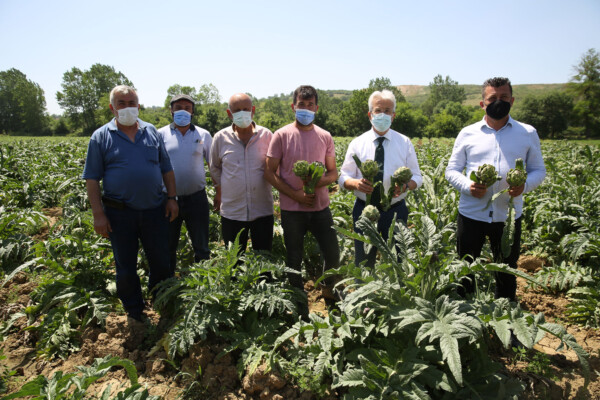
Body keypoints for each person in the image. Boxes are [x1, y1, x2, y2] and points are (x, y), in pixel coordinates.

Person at [82, 85, 178, 321]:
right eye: (121, 103)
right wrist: (98, 215)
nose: (127, 107)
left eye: (131, 103)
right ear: (112, 107)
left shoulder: (151, 131)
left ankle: (161, 300)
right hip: (119, 214)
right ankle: (135, 310)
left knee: (161, 261)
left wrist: (172, 198)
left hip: (154, 210)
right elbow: (92, 179)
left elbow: (166, 168)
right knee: (125, 266)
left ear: (138, 105)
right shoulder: (101, 136)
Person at [445, 77, 546, 301]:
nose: (498, 101)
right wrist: (468, 186)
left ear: (512, 100)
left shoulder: (527, 133)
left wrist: (524, 186)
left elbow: (539, 170)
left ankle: (507, 325)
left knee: (506, 271)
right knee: (465, 270)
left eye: (503, 97)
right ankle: (465, 318)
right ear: (483, 103)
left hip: (508, 217)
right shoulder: (467, 133)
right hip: (471, 214)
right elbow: (451, 171)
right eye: (492, 98)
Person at [264, 85, 340, 309]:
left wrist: (315, 182)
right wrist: (296, 194)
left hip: (320, 208)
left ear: (316, 108)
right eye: (301, 105)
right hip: (292, 210)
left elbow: (333, 173)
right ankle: (299, 303)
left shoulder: (324, 136)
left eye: (310, 105)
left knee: (333, 253)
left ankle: (328, 292)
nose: (305, 109)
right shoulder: (281, 135)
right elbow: (269, 172)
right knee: (294, 258)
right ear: (293, 106)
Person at [339, 89, 422, 268]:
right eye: (378, 110)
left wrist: (407, 185)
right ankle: (365, 293)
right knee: (363, 261)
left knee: (399, 260)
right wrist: (355, 184)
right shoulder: (357, 143)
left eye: (387, 111)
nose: (382, 114)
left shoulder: (405, 143)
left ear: (393, 116)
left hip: (395, 211)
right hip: (364, 210)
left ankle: (397, 293)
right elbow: (343, 177)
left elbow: (417, 176)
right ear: (370, 114)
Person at [210, 93, 274, 253]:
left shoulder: (267, 136)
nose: (242, 113)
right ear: (229, 113)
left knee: (263, 260)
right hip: (232, 211)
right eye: (236, 110)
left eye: (245, 109)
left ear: (253, 110)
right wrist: (220, 190)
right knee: (234, 262)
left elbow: (275, 167)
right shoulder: (220, 138)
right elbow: (214, 167)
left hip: (262, 210)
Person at [158, 94, 212, 271]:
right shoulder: (160, 135)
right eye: (178, 107)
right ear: (171, 111)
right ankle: (168, 287)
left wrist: (219, 190)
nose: (183, 111)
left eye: (187, 108)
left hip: (196, 198)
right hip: (168, 199)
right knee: (167, 246)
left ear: (193, 112)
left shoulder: (203, 134)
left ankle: (203, 286)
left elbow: (213, 164)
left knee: (202, 247)